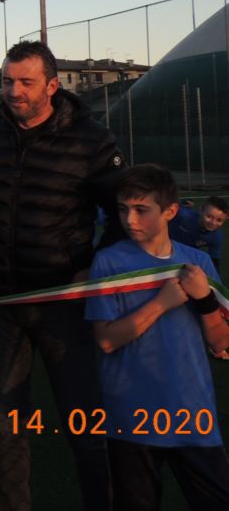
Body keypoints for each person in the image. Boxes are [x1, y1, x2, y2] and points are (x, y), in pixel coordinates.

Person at [0, 40, 124, 510]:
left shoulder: (91, 140)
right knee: (6, 425)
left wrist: (94, 266)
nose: (13, 91)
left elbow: (123, 217)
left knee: (82, 420)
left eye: (25, 82)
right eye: (7, 81)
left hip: (62, 305)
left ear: (51, 85)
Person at [85, 164, 229, 510]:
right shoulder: (107, 263)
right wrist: (163, 303)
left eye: (141, 210)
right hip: (131, 414)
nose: (130, 220)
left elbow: (222, 343)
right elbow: (106, 340)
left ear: (170, 211)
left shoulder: (197, 263)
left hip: (192, 411)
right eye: (123, 210)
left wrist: (205, 298)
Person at [169, 196, 227, 272]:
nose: (213, 223)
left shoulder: (216, 236)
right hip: (167, 246)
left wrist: (215, 281)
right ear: (201, 211)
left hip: (186, 255)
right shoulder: (184, 216)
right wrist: (182, 202)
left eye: (219, 220)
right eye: (209, 216)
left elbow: (214, 261)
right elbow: (168, 205)